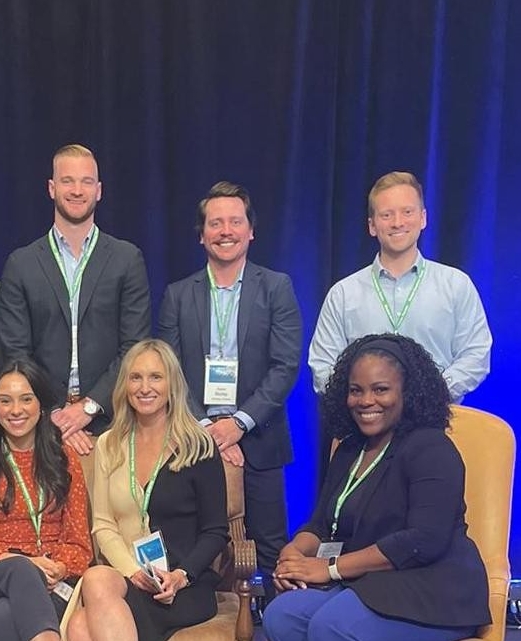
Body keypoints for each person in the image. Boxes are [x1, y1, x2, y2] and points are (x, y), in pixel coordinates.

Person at [264, 333, 490, 641]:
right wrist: (294, 554)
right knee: (282, 616)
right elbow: (322, 524)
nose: (366, 401)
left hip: (435, 589)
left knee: (332, 625)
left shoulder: (432, 447)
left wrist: (329, 568)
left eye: (380, 389)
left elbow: (424, 540)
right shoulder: (349, 449)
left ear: (408, 393)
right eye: (356, 390)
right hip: (369, 581)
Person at [157, 181, 301, 600]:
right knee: (193, 547)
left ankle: (279, 625)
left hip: (260, 437)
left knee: (273, 550)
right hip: (191, 440)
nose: (225, 231)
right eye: (215, 223)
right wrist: (207, 427)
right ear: (201, 234)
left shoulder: (276, 288)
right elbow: (169, 371)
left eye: (234, 222)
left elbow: (285, 365)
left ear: (250, 230)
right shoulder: (178, 295)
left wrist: (237, 424)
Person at [67, 339, 228, 641]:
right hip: (131, 578)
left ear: (172, 384)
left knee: (80, 626)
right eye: (135, 377)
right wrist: (134, 572)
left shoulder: (199, 446)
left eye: (156, 377)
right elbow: (103, 525)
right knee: (96, 577)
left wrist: (180, 577)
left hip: (184, 585)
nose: (145, 387)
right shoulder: (109, 444)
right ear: (124, 385)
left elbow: (216, 531)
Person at [0, 144, 151, 456]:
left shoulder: (126, 259)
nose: (77, 190)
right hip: (39, 425)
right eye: (67, 181)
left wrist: (87, 409)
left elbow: (134, 347)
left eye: (86, 182)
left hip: (110, 423)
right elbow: (15, 351)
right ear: (52, 188)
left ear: (99, 190)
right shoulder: (21, 263)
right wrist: (56, 414)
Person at [308, 171, 492, 403]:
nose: (397, 222)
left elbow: (476, 355)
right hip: (365, 426)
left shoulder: (456, 285)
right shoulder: (343, 294)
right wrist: (366, 397)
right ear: (372, 225)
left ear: (423, 218)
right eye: (386, 214)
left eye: (407, 212)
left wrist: (429, 395)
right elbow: (323, 366)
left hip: (437, 424)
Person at [0, 359, 93, 641]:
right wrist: (22, 562)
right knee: (19, 569)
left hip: (54, 581)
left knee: (6, 613)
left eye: (26, 399)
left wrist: (58, 567)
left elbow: (79, 544)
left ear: (41, 405)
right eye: (5, 401)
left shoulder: (63, 457)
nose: (16, 410)